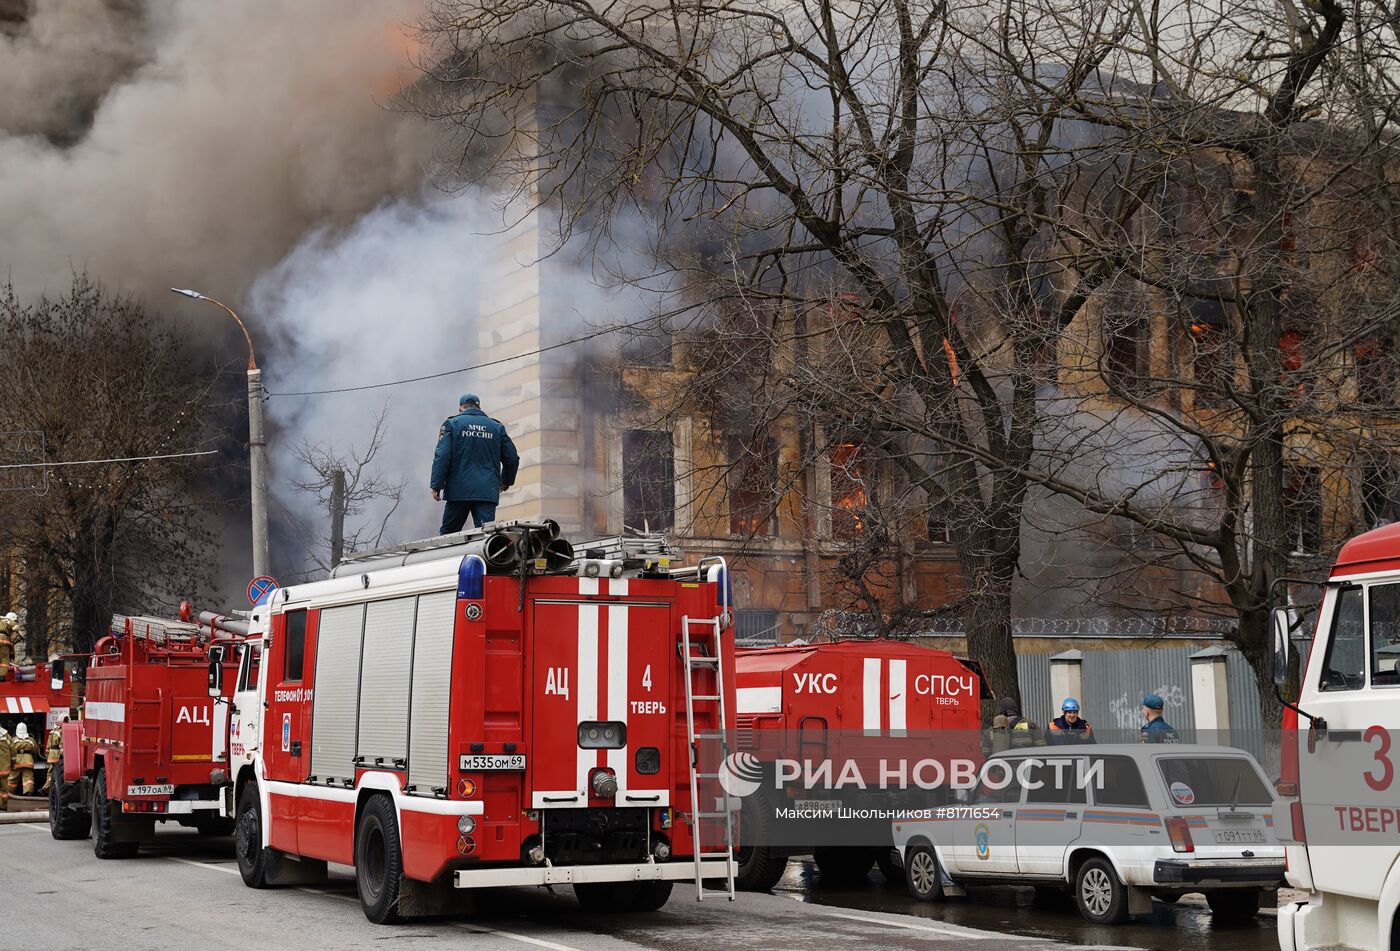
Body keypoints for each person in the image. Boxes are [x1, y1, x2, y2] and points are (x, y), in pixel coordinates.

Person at [430, 393, 520, 535]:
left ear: (460, 408)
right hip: (487, 491)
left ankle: (455, 558)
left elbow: (442, 456)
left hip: (458, 491)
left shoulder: (452, 424)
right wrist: (506, 480)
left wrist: (436, 484)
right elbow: (512, 458)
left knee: (449, 536)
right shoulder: (496, 427)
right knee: (488, 536)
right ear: (478, 407)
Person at [10, 722, 37, 795]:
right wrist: (33, 758)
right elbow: (35, 750)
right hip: (28, 761)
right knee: (28, 778)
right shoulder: (31, 740)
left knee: (13, 778)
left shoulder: (13, 740)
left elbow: (10, 751)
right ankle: (28, 792)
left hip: (17, 761)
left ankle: (10, 792)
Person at [42, 714, 64, 794]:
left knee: (50, 773)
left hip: (51, 755)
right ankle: (45, 788)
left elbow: (48, 746)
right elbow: (62, 745)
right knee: (54, 774)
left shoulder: (52, 732)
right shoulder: (62, 732)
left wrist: (47, 755)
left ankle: (46, 788)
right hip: (57, 755)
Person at [0, 612, 15, 682]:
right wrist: (12, 654)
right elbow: (9, 646)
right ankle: (1, 677)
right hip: (3, 649)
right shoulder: (5, 635)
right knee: (4, 661)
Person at [0, 725, 10, 809]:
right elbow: (13, 751)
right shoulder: (6, 736)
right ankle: (3, 806)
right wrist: (12, 763)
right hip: (4, 768)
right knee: (4, 789)